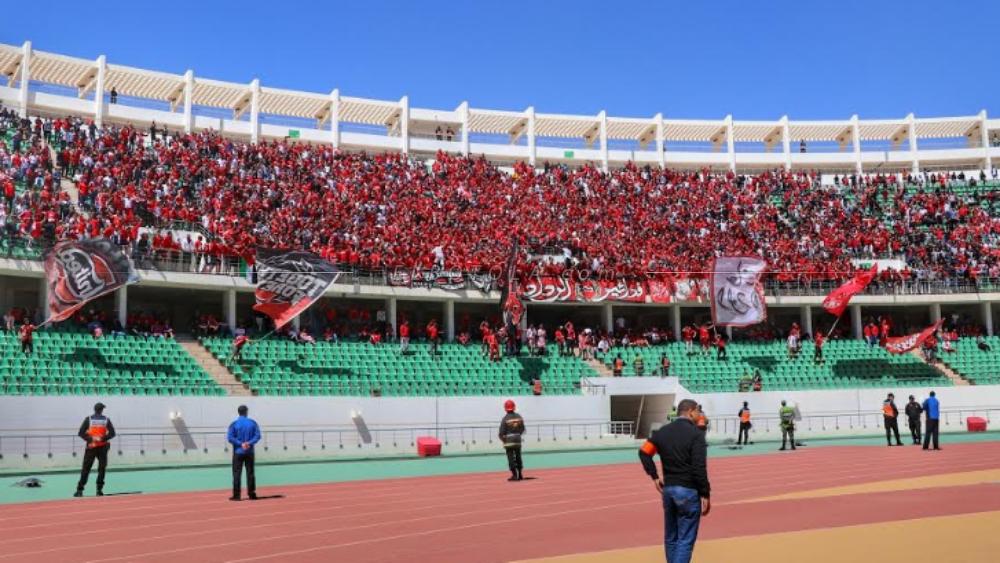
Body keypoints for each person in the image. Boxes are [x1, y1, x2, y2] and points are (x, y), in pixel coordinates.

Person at [638, 399, 711, 563]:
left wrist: (655, 476)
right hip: (688, 491)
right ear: (691, 412)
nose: (699, 415)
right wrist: (705, 493)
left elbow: (644, 452)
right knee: (685, 540)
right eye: (698, 411)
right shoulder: (696, 435)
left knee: (671, 537)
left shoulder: (661, 432)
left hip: (669, 491)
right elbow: (699, 467)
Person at [74, 402, 116, 497]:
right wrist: (103, 438)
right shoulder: (106, 420)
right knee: (101, 469)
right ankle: (99, 490)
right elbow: (112, 433)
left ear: (95, 410)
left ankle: (79, 490)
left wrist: (90, 439)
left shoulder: (88, 419)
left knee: (86, 469)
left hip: (91, 447)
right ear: (101, 410)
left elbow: (81, 433)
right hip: (102, 447)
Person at [227, 405, 261, 500]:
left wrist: (240, 444)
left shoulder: (234, 424)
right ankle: (251, 493)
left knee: (237, 473)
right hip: (249, 452)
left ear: (238, 412)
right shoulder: (253, 423)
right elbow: (257, 436)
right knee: (250, 473)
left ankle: (237, 495)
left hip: (238, 452)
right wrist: (249, 443)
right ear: (246, 412)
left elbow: (230, 437)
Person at [499, 400, 525, 481]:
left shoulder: (505, 418)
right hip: (517, 440)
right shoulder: (519, 416)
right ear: (514, 407)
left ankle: (514, 475)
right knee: (518, 456)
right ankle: (520, 474)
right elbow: (522, 429)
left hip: (509, 441)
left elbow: (501, 432)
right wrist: (518, 435)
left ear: (505, 409)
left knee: (510, 457)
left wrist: (503, 440)